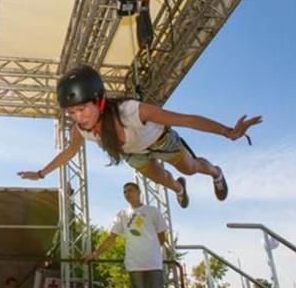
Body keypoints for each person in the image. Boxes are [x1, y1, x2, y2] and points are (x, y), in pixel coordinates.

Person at [18, 65, 262, 208]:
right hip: (135, 154)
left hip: (161, 142)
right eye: (72, 112)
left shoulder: (133, 111)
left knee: (191, 168)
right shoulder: (80, 130)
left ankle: (216, 173)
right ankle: (179, 188)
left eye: (82, 109)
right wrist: (41, 174)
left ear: (99, 101)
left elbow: (186, 119)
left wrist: (228, 132)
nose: (78, 117)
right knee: (162, 180)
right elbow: (69, 152)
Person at [83, 182, 169, 288]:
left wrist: (152, 249)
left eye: (130, 190)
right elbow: (111, 238)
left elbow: (162, 237)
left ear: (138, 192)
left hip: (153, 263)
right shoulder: (122, 215)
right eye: (124, 192)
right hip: (134, 264)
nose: (127, 194)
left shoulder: (152, 211)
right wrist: (95, 254)